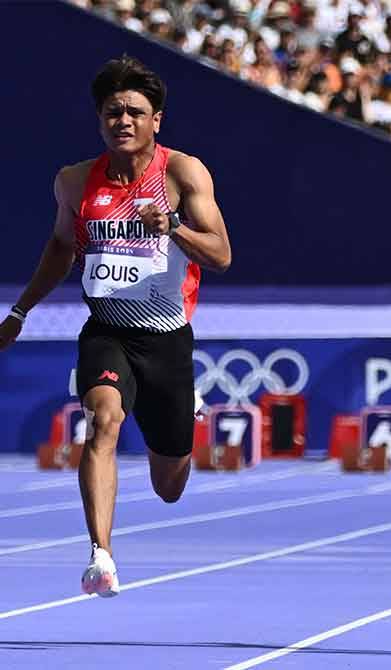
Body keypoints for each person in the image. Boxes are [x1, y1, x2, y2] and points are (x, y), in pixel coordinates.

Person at [0, 56, 231, 597]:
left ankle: (184, 411)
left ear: (157, 121)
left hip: (167, 338)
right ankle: (100, 554)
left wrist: (173, 226)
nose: (122, 121)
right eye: (112, 113)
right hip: (105, 330)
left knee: (168, 485)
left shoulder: (182, 174)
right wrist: (20, 311)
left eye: (134, 112)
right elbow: (60, 248)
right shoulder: (75, 181)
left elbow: (221, 254)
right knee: (101, 422)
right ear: (99, 121)